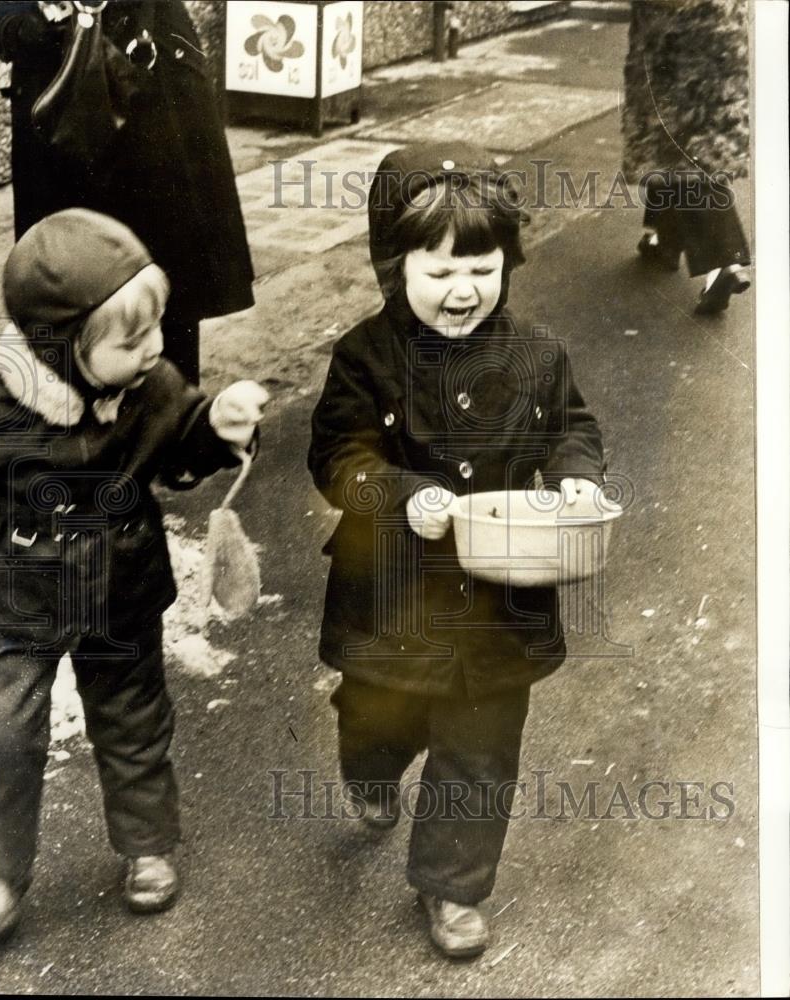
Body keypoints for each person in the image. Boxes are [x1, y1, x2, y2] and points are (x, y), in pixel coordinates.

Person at [307, 143, 606, 959]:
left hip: (502, 604)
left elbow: (573, 427)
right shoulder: (365, 356)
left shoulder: (537, 353)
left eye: (480, 268)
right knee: (378, 712)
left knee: (480, 747)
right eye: (436, 272)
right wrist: (403, 496)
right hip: (393, 596)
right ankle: (370, 768)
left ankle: (452, 887)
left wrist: (576, 478)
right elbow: (338, 458)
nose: (462, 290)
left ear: (506, 263)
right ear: (391, 266)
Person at [0, 208, 268, 944]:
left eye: (156, 330)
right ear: (62, 344)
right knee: (0, 733)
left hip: (121, 591)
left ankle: (146, 844)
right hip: (20, 595)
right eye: (130, 339)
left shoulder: (150, 386)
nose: (153, 350)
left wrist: (218, 426)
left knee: (134, 719)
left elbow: (177, 443)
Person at [0, 0, 255, 383]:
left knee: (162, 279)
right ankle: (72, 425)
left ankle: (170, 419)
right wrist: (11, 21)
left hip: (148, 83)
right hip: (54, 92)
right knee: (62, 277)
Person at [622, 0, 751, 315]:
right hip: (720, 24)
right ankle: (662, 238)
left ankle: (722, 260)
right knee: (685, 136)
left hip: (675, 31)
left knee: (679, 145)